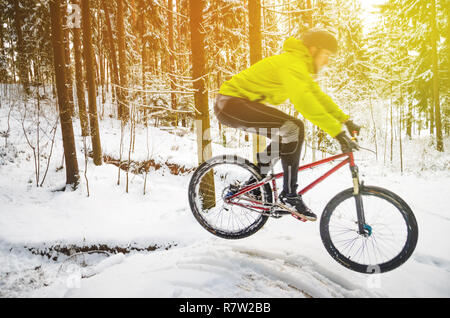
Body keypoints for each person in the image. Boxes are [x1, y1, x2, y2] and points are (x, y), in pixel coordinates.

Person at [214, 29, 361, 221]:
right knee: (294, 127)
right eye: (326, 55)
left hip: (238, 103)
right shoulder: (292, 64)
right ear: (314, 49)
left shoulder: (300, 68)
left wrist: (344, 120)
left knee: (288, 131)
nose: (326, 62)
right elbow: (305, 102)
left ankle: (255, 187)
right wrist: (337, 132)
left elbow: (318, 97)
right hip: (230, 103)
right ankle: (289, 196)